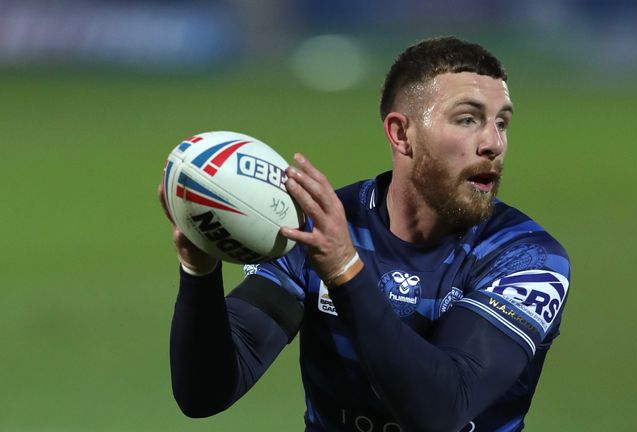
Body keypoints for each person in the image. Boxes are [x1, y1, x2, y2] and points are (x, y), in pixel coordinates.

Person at [159, 36, 571, 432]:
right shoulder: (323, 227)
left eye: (502, 122)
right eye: (468, 119)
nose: (493, 143)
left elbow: (441, 411)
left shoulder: (527, 258)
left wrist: (344, 270)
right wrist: (200, 272)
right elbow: (205, 394)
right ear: (401, 134)